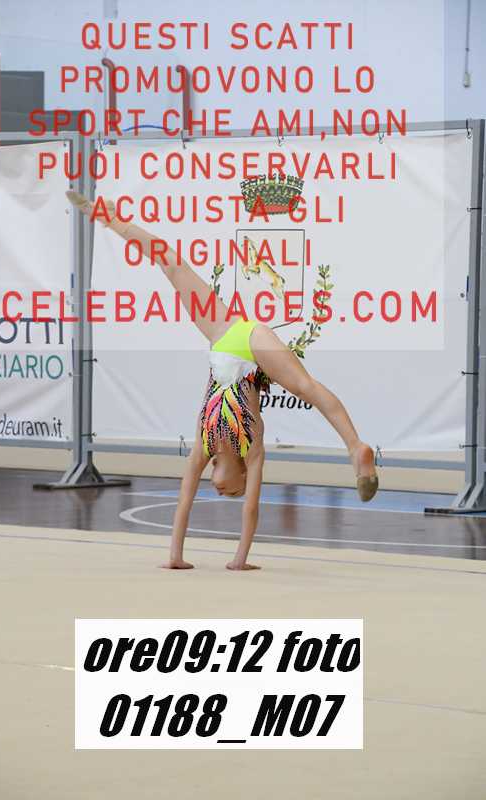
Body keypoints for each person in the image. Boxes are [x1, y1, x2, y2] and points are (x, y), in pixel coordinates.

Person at [66, 190, 379, 571]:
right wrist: (239, 560)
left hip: (223, 336)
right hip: (244, 340)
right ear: (243, 475)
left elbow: (185, 497)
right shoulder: (252, 445)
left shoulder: (205, 443)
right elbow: (252, 509)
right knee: (304, 387)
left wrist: (175, 556)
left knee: (172, 264)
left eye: (224, 493)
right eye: (231, 491)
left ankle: (113, 219)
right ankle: (355, 447)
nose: (220, 492)